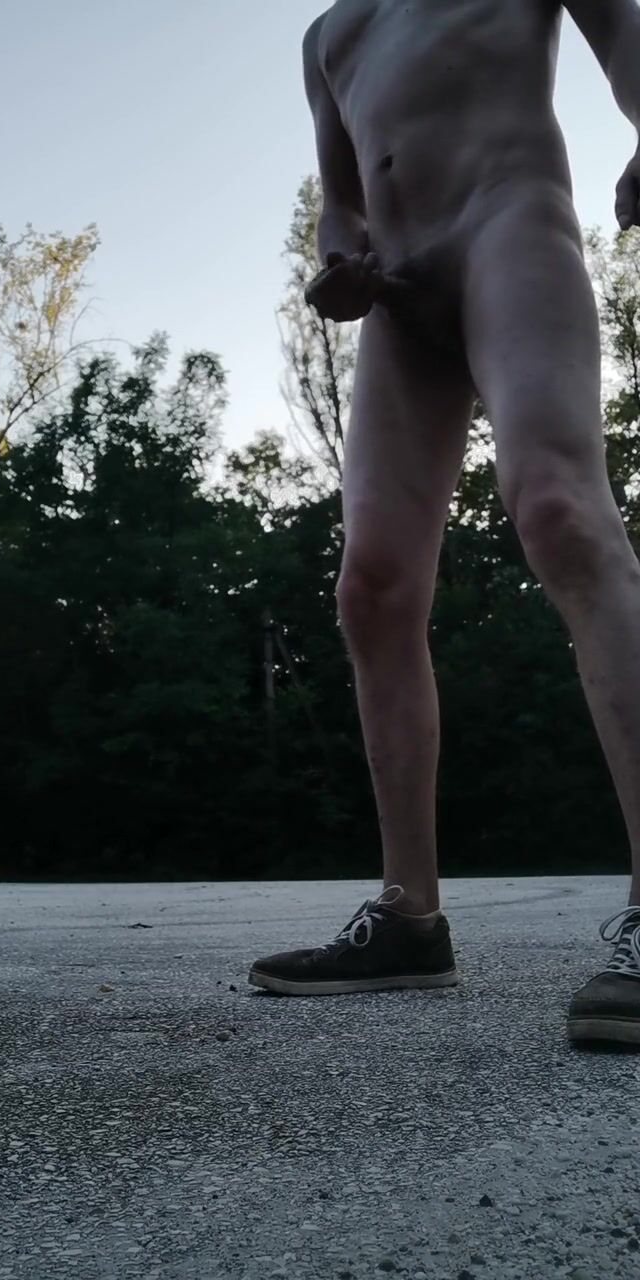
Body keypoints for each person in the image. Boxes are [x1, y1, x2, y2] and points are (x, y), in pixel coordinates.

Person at [249, 0, 640, 1047]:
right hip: (400, 292)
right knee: (371, 584)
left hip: (509, 224)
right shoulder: (329, 38)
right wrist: (340, 258)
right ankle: (409, 918)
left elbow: (624, 36)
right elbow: (340, 205)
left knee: (558, 505)